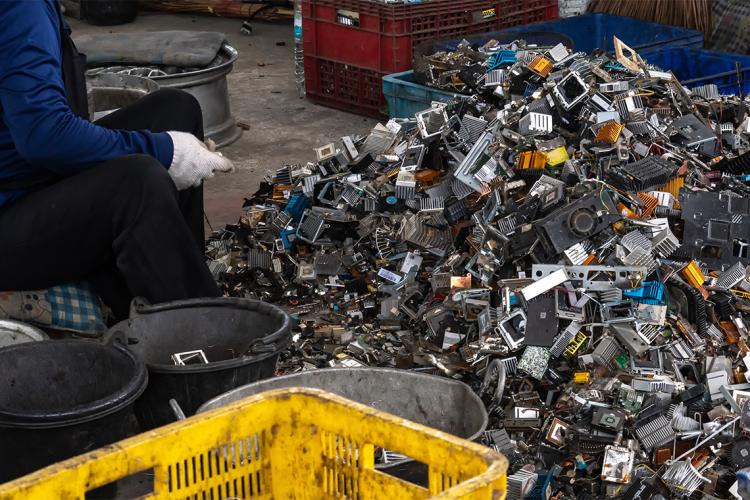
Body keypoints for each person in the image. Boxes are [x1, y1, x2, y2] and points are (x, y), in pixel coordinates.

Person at [0, 1, 232, 320]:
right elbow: (45, 135)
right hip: (11, 211)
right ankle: (203, 337)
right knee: (137, 184)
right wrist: (166, 152)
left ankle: (181, 291)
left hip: (28, 177)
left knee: (176, 111)